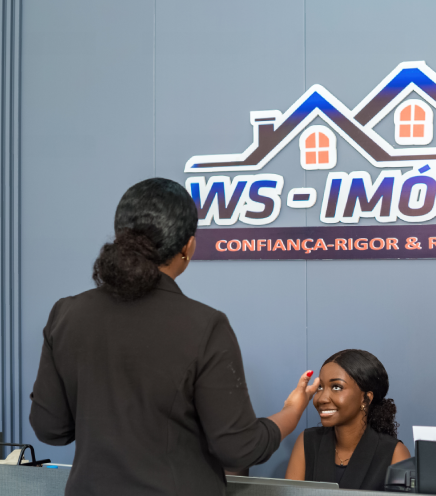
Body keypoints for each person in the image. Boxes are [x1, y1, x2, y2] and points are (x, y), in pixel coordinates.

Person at [29, 178, 319, 495]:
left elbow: (51, 429)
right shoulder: (205, 325)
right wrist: (291, 413)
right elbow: (239, 448)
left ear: (121, 237)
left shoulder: (66, 314)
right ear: (187, 246)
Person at [285, 349, 411, 490]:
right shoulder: (307, 442)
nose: (321, 398)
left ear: (366, 398)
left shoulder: (394, 453)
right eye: (320, 387)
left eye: (336, 387)